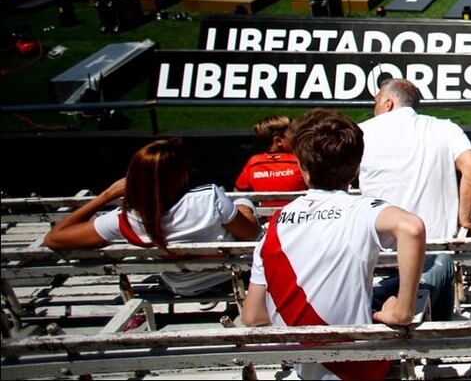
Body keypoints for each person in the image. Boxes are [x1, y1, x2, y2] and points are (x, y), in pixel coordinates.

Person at [242, 109, 427, 381]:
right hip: (359, 365)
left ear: (302, 168)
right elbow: (412, 228)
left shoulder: (275, 228)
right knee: (438, 271)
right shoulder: (362, 209)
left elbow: (254, 316)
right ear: (356, 167)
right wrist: (401, 311)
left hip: (306, 364)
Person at [42, 139, 260, 297]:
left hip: (179, 286)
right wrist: (244, 205)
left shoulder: (126, 219)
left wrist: (106, 196)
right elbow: (250, 234)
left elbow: (54, 239)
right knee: (244, 204)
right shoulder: (208, 198)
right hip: (230, 278)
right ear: (179, 174)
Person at [359, 78, 471, 320]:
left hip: (376, 250)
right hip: (432, 249)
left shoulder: (361, 132)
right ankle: (435, 337)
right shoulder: (446, 128)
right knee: (443, 266)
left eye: (376, 101)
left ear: (388, 102)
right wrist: (465, 219)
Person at [234, 115, 307, 207]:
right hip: (299, 219)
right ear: (278, 141)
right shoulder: (300, 160)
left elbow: (237, 194)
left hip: (267, 220)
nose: (298, 137)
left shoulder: (253, 163)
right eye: (293, 134)